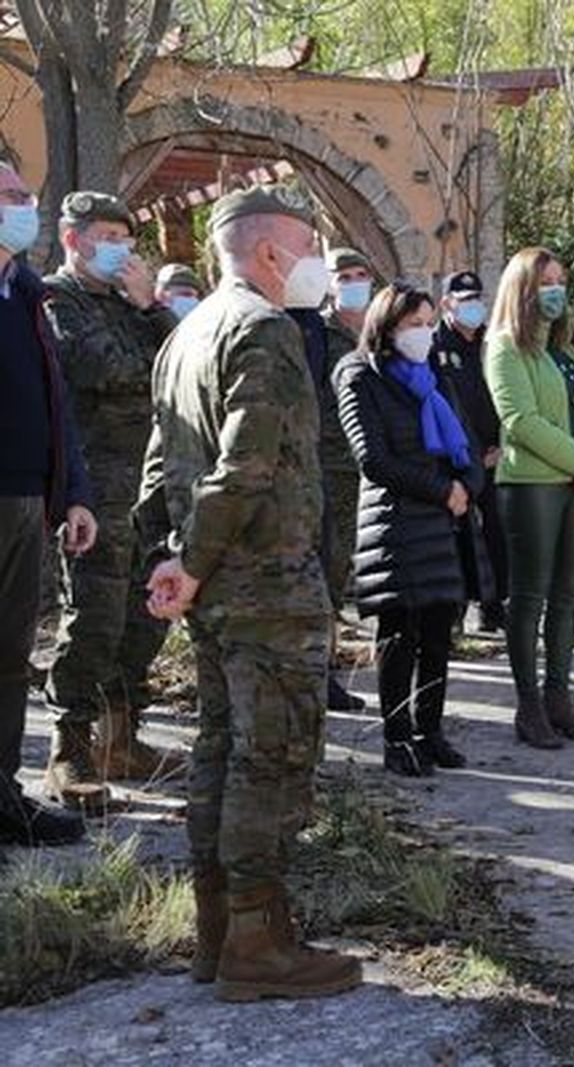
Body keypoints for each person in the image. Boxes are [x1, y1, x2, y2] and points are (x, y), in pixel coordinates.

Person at [135, 184, 362, 1001]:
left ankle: (219, 931)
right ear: (271, 252)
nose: (315, 266)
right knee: (270, 759)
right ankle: (257, 945)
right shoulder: (262, 329)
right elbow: (245, 466)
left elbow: (160, 467)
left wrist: (169, 558)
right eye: (307, 246)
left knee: (222, 750)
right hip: (266, 581)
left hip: (214, 584)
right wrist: (190, 560)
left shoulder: (185, 331)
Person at [41, 190, 183, 814]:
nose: (119, 248)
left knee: (143, 613)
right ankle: (68, 748)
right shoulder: (56, 299)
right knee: (92, 616)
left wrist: (151, 307)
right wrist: (147, 334)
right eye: (106, 235)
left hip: (146, 487)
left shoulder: (133, 305)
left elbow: (179, 364)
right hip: (92, 485)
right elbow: (107, 368)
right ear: (73, 239)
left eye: (126, 236)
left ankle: (122, 738)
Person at [335, 284, 488, 776]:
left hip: (444, 525)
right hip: (395, 524)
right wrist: (441, 491)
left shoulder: (434, 376)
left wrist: (466, 485)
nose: (423, 333)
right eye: (412, 325)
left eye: (427, 323)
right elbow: (373, 459)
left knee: (440, 633)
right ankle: (397, 737)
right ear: (386, 327)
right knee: (399, 636)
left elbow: (467, 442)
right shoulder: (359, 375)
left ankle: (431, 731)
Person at [484, 247, 574, 749]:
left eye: (561, 280)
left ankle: (560, 699)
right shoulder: (504, 348)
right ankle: (529, 706)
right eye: (546, 281)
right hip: (532, 487)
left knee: (566, 595)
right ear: (523, 288)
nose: (556, 290)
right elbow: (520, 421)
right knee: (531, 596)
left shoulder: (573, 349)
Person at [0, 160, 97, 847]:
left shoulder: (27, 294)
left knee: (10, 656)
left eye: (26, 194)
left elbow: (56, 405)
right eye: (9, 195)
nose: (24, 205)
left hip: (27, 500)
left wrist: (75, 495)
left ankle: (3, 797)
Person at [309, 247, 374, 713]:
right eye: (343, 275)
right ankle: (319, 674)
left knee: (344, 566)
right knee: (325, 571)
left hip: (367, 469)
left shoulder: (378, 331)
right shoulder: (316, 331)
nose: (352, 282)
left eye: (359, 274)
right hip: (325, 465)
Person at [431, 269, 509, 634]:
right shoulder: (434, 347)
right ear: (447, 303)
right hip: (457, 459)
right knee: (457, 536)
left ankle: (493, 607)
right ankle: (454, 614)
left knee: (497, 531)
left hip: (495, 456)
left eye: (477, 299)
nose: (473, 307)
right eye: (464, 301)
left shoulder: (491, 344)